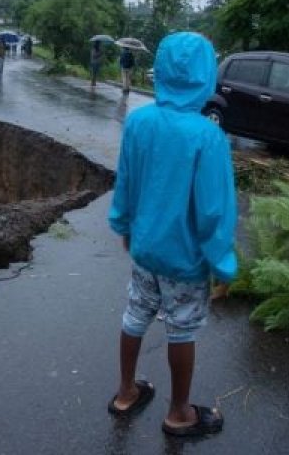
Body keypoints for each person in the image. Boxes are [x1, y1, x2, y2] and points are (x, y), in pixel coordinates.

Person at [107, 32, 236, 438]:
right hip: (186, 258)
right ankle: (179, 413)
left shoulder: (139, 122)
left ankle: (126, 392)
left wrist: (125, 227)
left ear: (159, 69)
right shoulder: (207, 136)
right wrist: (222, 263)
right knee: (181, 328)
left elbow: (126, 181)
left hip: (145, 250)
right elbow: (213, 210)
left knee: (135, 315)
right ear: (205, 74)